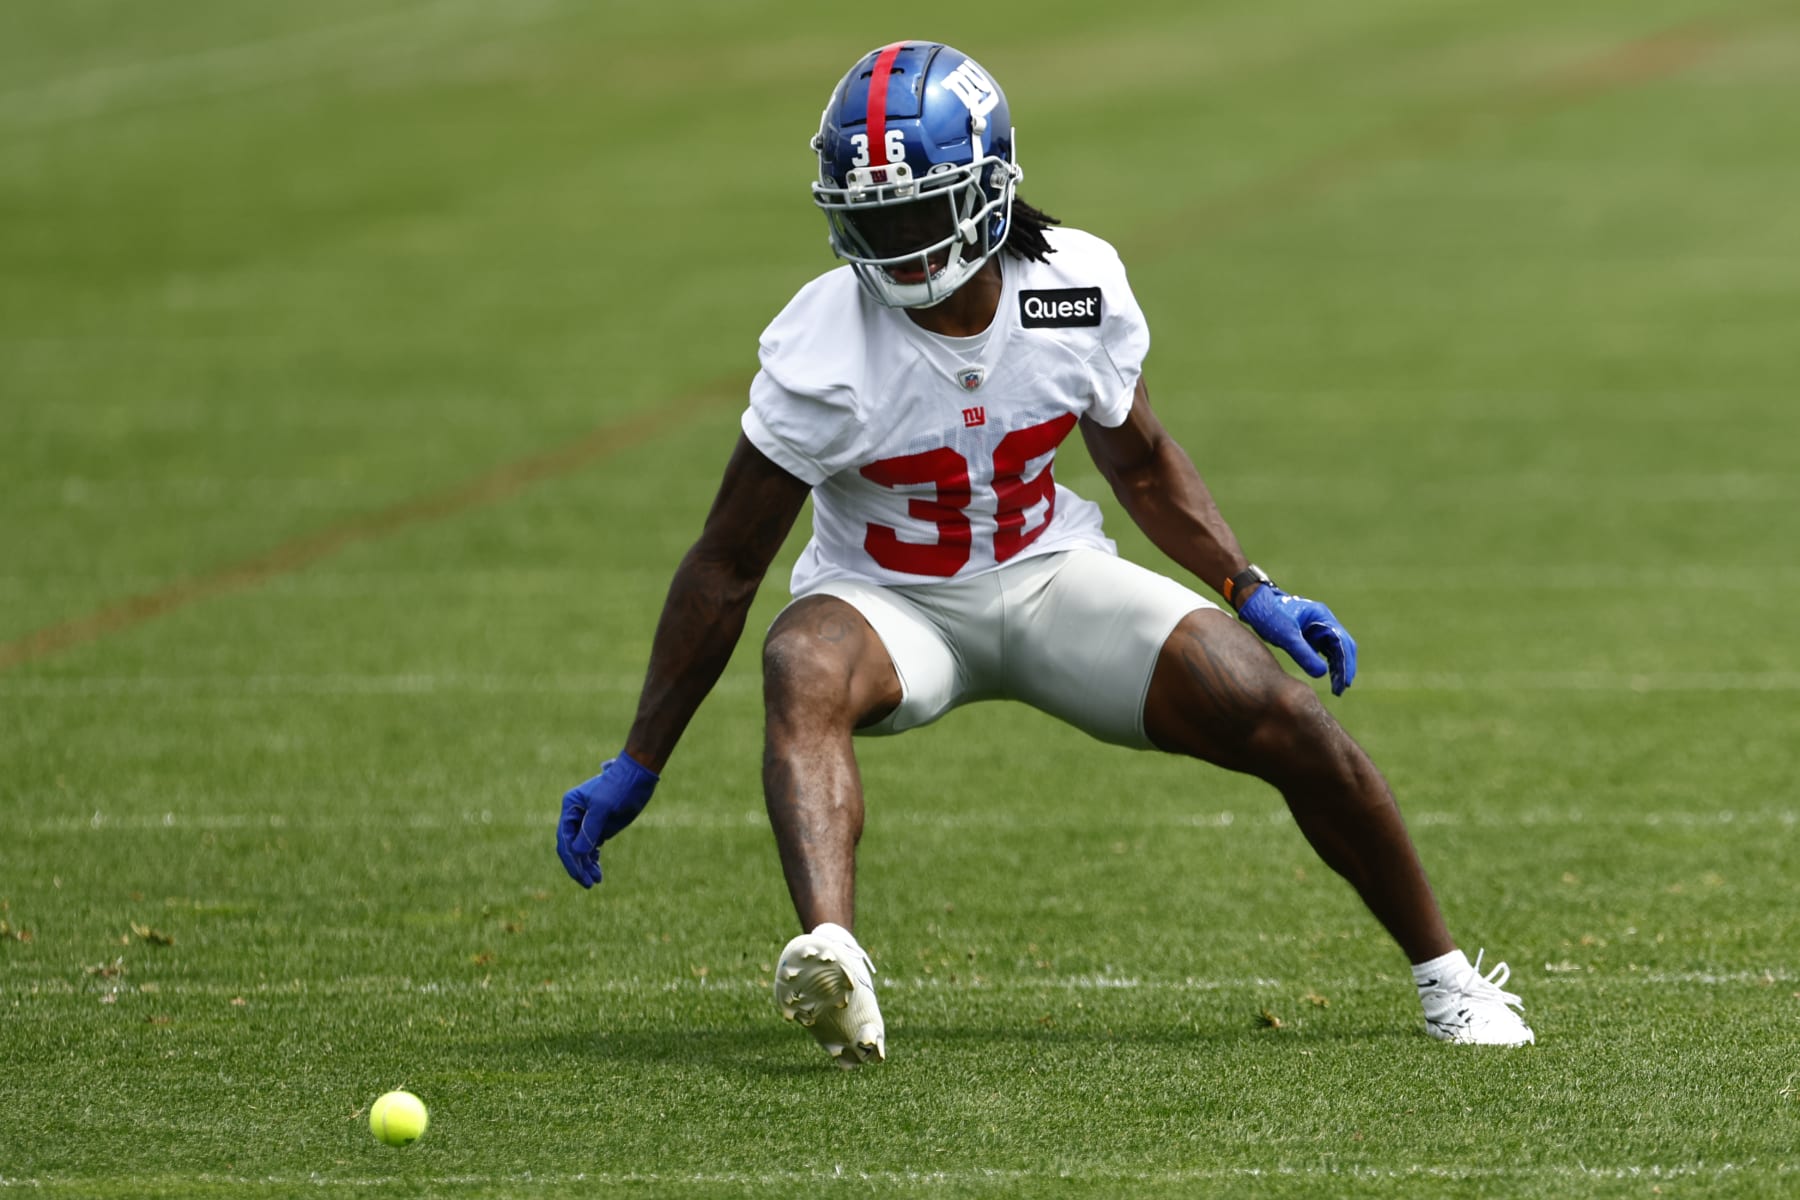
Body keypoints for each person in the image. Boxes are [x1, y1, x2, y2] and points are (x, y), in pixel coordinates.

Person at [556, 40, 1533, 1068]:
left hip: (1050, 573)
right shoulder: (820, 347)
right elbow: (726, 565)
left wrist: (1250, 587)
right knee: (798, 660)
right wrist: (641, 758)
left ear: (988, 190)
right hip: (890, 606)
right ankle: (836, 961)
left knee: (1278, 710)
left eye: (919, 210)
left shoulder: (1073, 286)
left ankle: (1448, 980)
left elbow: (1145, 466)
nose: (895, 241)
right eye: (873, 215)